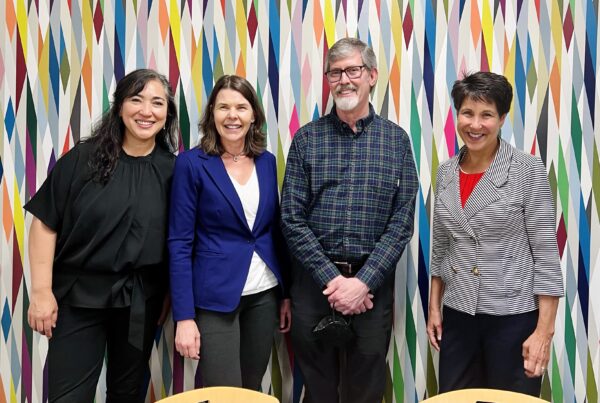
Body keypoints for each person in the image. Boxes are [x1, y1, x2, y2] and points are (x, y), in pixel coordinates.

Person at [25, 68, 179, 402]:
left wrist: (170, 292)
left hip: (141, 300)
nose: (146, 111)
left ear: (167, 114)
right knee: (68, 396)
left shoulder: (174, 170)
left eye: (157, 103)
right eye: (136, 100)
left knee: (126, 395)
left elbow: (177, 240)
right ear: (120, 106)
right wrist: (40, 291)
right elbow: (44, 222)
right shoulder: (83, 159)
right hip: (79, 297)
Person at [280, 37, 419, 403]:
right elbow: (292, 218)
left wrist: (362, 283)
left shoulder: (397, 141)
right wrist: (333, 280)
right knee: (318, 389)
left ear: (371, 75)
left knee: (367, 388)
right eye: (335, 72)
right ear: (327, 80)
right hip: (313, 286)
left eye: (353, 70)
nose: (344, 79)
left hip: (372, 289)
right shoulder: (306, 139)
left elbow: (402, 220)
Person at [426, 71, 564, 396]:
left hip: (513, 318)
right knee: (455, 398)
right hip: (458, 314)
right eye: (467, 113)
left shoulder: (526, 170)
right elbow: (441, 247)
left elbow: (546, 259)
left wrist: (543, 333)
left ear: (502, 118)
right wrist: (435, 307)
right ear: (457, 114)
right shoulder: (446, 171)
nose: (475, 125)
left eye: (486, 114)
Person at [168, 75, 291, 390]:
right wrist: (183, 317)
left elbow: (274, 231)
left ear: (253, 116)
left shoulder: (266, 162)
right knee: (224, 391)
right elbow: (179, 243)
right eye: (223, 107)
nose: (232, 115)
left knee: (251, 388)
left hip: (264, 294)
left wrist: (286, 294)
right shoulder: (191, 164)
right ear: (212, 114)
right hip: (214, 298)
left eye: (241, 107)